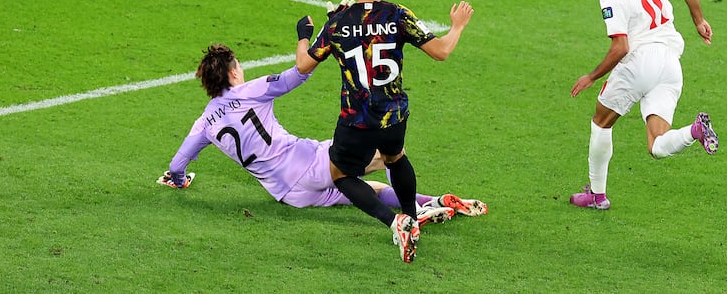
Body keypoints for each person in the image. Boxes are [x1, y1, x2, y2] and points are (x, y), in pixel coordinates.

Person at [157, 43, 487, 230]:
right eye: (238, 67)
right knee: (387, 152)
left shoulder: (203, 124)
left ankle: (435, 205)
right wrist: (316, 42)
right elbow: (296, 75)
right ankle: (417, 212)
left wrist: (179, 179)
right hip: (308, 162)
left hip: (289, 194)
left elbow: (177, 163)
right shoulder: (249, 90)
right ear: (232, 74)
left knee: (368, 191)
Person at [295, 0, 476, 263]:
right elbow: (441, 52)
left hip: (356, 121)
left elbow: (303, 65)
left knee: (340, 174)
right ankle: (411, 216)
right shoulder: (398, 14)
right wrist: (457, 25)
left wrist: (304, 35)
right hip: (393, 116)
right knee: (395, 157)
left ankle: (396, 222)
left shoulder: (338, 21)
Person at [569, 0, 719, 210]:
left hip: (640, 62)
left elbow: (621, 47)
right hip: (670, 64)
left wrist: (591, 76)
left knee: (601, 121)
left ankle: (597, 195)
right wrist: (699, 21)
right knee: (657, 145)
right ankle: (694, 131)